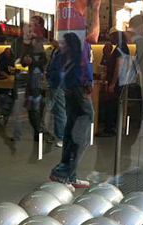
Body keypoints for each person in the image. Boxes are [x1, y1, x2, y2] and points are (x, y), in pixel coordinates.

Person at [49, 0, 101, 189]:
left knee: (73, 125)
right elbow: (93, 38)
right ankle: (65, 172)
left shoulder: (66, 14)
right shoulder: (72, 15)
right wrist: (96, 10)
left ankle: (67, 172)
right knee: (82, 128)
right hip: (78, 81)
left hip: (73, 80)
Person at [101, 28, 130, 137]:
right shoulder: (122, 47)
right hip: (120, 81)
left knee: (111, 105)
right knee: (113, 105)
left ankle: (109, 128)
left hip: (117, 82)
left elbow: (119, 66)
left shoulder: (120, 48)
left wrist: (113, 83)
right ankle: (111, 127)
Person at [44, 39, 66, 147]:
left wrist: (49, 75)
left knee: (60, 111)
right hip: (57, 84)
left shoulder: (61, 54)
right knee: (58, 110)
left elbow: (59, 72)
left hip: (57, 85)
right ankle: (59, 134)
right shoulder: (58, 53)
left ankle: (62, 136)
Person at [0, 47, 14, 123]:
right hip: (2, 78)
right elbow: (0, 70)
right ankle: (4, 114)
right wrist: (8, 76)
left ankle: (6, 113)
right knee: (3, 97)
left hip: (8, 77)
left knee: (8, 97)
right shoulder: (1, 58)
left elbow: (12, 65)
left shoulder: (10, 56)